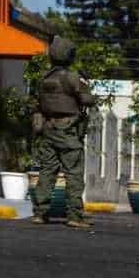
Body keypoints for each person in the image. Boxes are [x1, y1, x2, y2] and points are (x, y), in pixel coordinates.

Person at [28, 37, 92, 228]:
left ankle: (40, 213)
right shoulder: (72, 77)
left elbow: (38, 103)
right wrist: (86, 83)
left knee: (47, 171)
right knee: (74, 173)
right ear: (69, 55)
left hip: (48, 130)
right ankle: (75, 216)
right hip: (68, 131)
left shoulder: (44, 78)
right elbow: (88, 100)